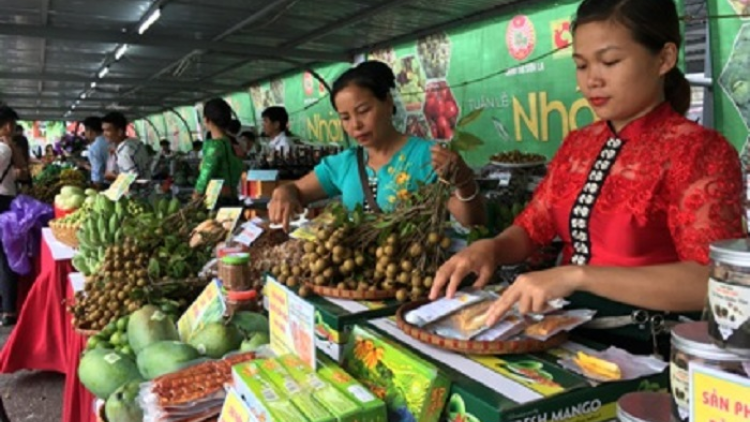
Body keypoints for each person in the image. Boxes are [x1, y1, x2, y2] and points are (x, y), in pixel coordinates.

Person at [429, 0, 743, 356]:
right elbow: (533, 227)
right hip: (566, 337)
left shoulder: (700, 151)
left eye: (610, 62)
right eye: (581, 65)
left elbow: (714, 282)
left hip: (653, 351)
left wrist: (577, 276)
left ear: (665, 58)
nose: (592, 79)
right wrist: (493, 248)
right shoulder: (579, 144)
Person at [269, 61, 486, 231]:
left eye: (363, 111)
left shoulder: (427, 157)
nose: (356, 125)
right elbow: (295, 189)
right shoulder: (345, 163)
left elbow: (472, 222)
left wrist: (464, 182)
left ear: (388, 102)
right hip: (360, 281)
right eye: (345, 117)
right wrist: (284, 193)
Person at [193, 98, 243, 208]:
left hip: (216, 201)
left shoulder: (214, 146)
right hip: (234, 198)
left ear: (206, 120)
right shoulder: (233, 144)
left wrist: (195, 196)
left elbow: (205, 175)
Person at [0, 105, 19, 326]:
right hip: (3, 203)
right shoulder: (4, 149)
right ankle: (9, 310)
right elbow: (22, 166)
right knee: (7, 257)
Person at [102, 112, 151, 180]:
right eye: (103, 130)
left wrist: (112, 176)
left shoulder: (124, 153)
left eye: (108, 130)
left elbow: (132, 180)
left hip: (136, 190)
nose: (104, 134)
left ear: (120, 132)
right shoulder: (136, 142)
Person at [82, 116, 109, 189]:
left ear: (90, 131)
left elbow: (98, 172)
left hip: (106, 185)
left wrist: (96, 189)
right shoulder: (110, 141)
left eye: (85, 131)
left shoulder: (94, 147)